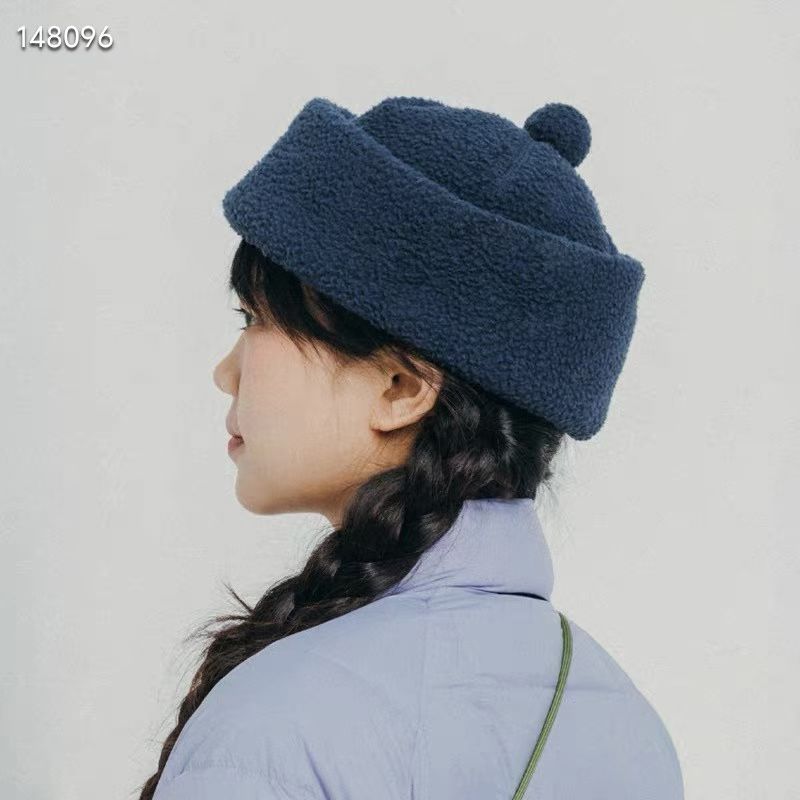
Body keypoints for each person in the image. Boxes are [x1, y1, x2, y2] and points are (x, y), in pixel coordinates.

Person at [138, 95, 684, 799]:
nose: (226, 371)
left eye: (254, 319)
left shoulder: (275, 727)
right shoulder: (628, 726)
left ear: (400, 387)